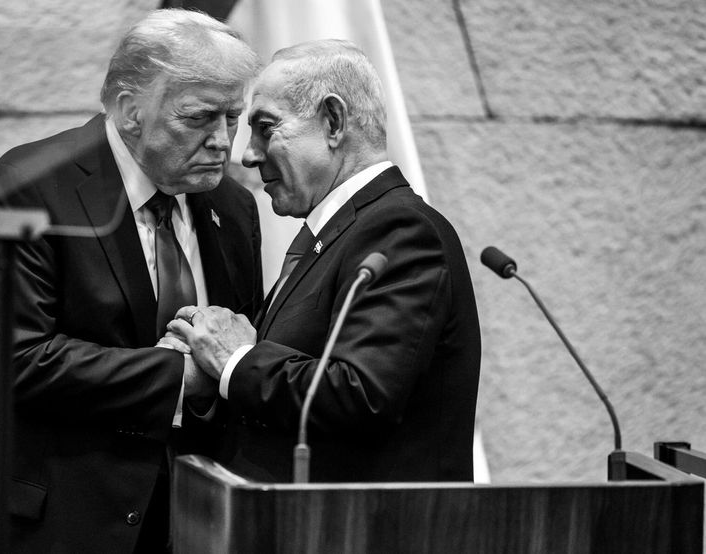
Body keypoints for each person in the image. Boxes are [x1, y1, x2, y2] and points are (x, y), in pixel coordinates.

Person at [0, 9, 262, 553]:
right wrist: (183, 374)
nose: (224, 141)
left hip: (174, 524)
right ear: (129, 111)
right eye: (199, 117)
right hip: (36, 522)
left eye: (233, 117)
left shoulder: (233, 207)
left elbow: (235, 348)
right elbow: (14, 363)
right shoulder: (24, 187)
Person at [168, 39, 481, 483]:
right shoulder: (339, 234)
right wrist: (207, 374)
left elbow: (361, 394)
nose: (247, 155)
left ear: (333, 122)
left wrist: (235, 359)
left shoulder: (400, 231)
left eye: (266, 128)